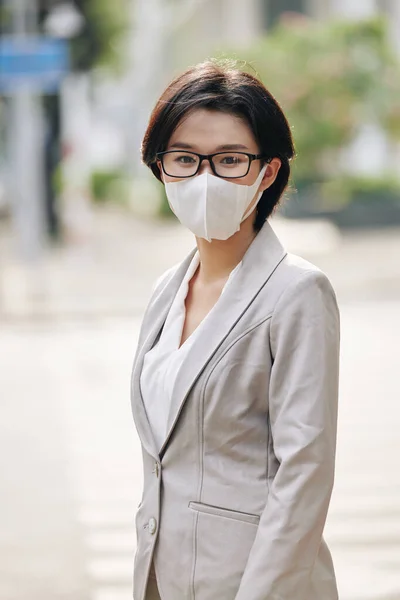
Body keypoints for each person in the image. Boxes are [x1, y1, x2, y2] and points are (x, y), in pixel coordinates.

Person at [130, 60, 340, 600]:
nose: (205, 179)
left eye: (229, 160)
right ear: (160, 169)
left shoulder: (297, 293)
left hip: (256, 584)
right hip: (167, 578)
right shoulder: (165, 293)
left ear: (267, 172)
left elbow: (304, 476)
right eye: (184, 159)